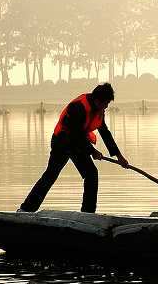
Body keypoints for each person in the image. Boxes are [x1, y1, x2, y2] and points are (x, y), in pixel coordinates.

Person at [19, 83, 129, 213]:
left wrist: (119, 156)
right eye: (105, 104)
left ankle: (88, 214)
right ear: (98, 100)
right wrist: (92, 151)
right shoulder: (78, 107)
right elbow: (75, 134)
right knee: (50, 175)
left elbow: (105, 133)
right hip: (62, 141)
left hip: (79, 144)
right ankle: (26, 209)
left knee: (91, 174)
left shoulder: (99, 111)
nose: (106, 107)